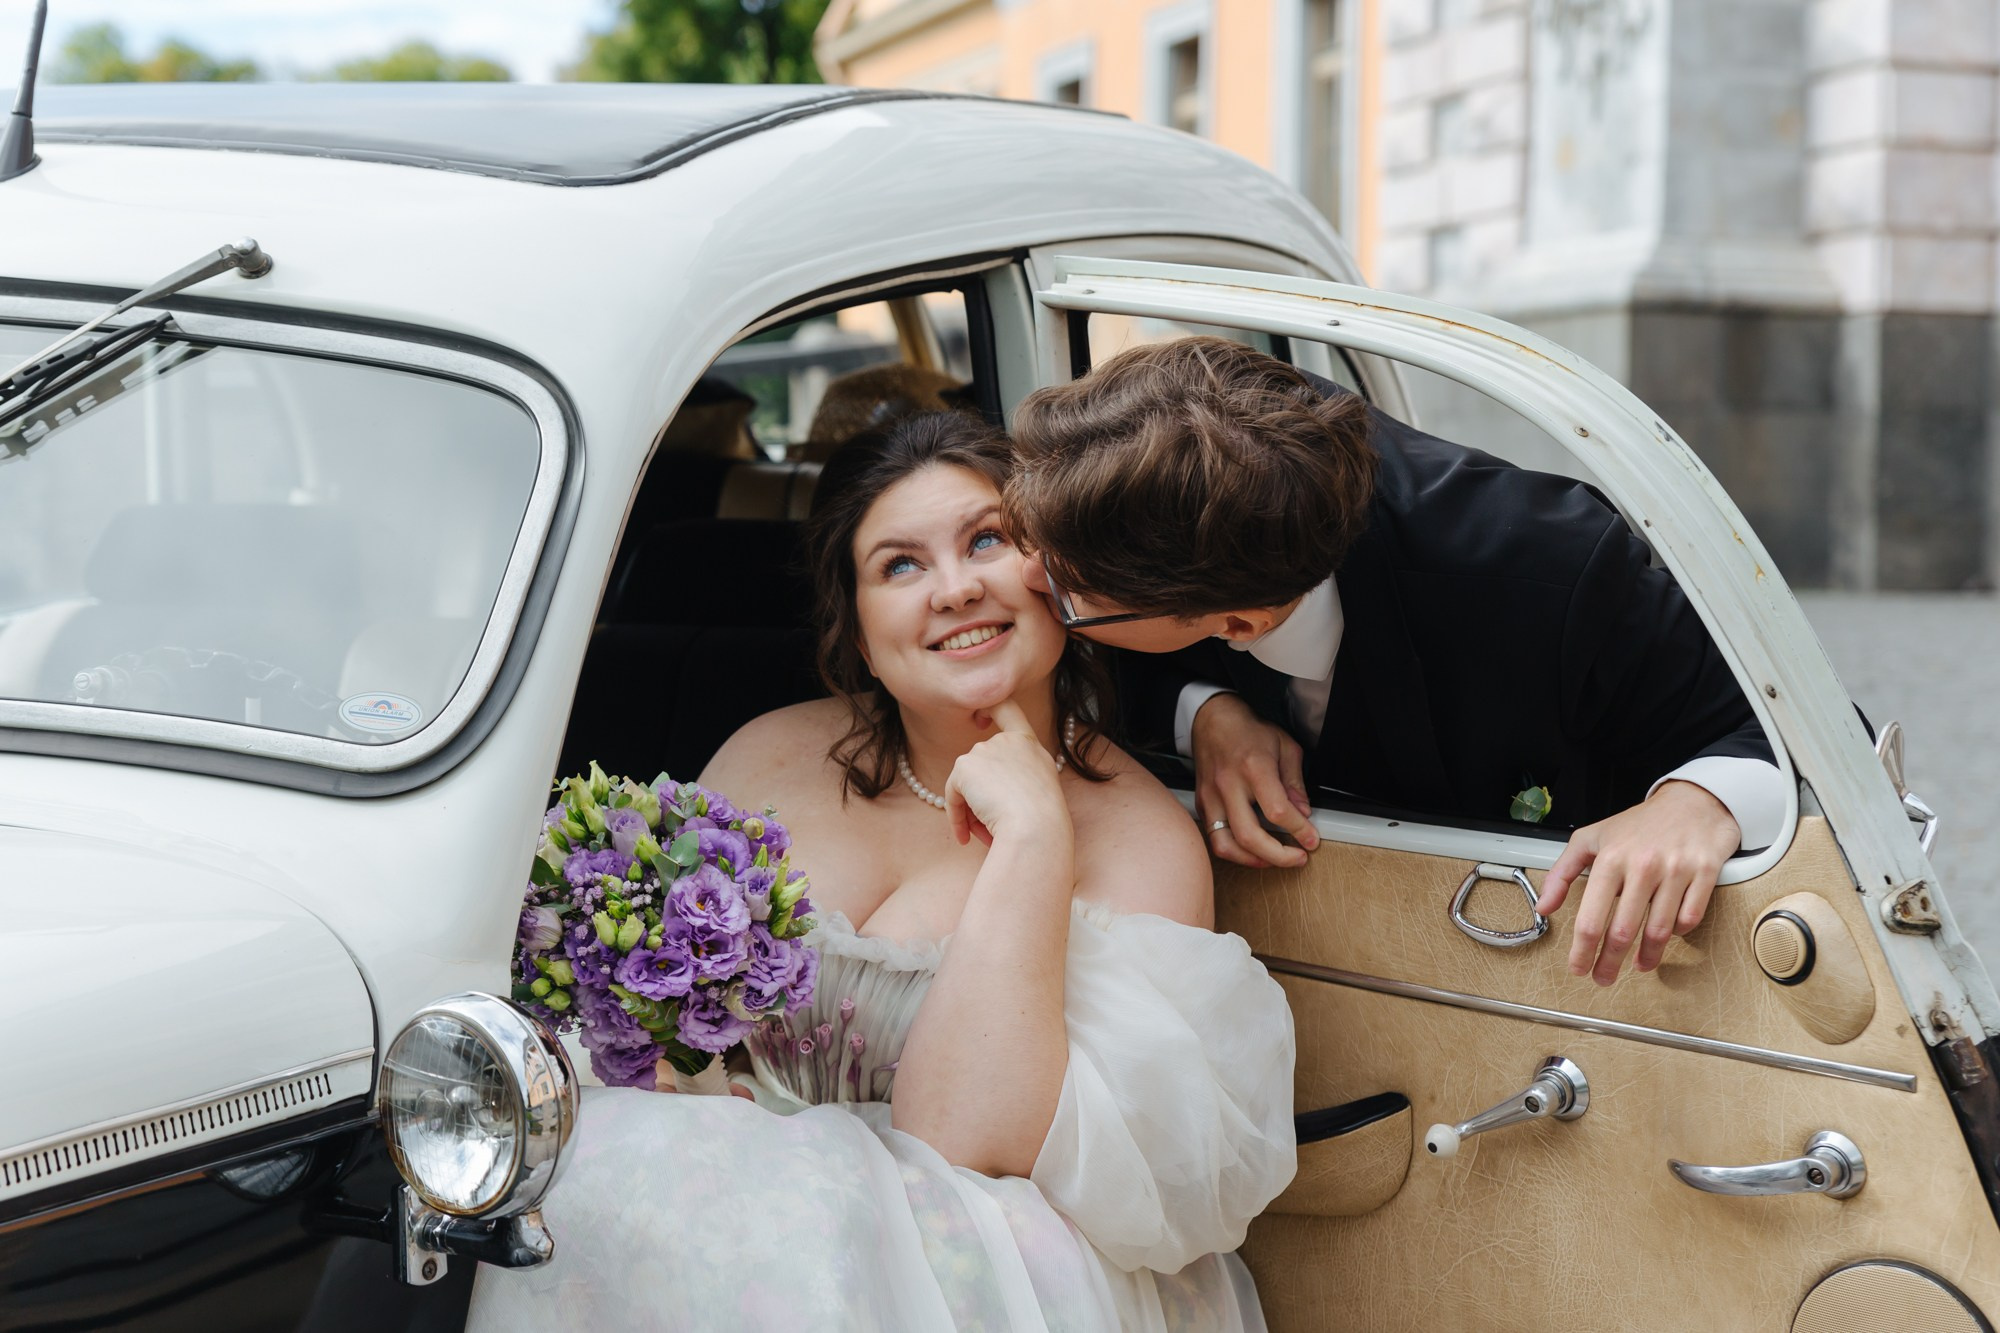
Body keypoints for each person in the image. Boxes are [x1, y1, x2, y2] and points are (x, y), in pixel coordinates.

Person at [467, 412, 1296, 1333]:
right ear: (859, 630)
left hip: (967, 1262)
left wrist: (1033, 840)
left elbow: (967, 1142)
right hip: (707, 1201)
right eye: (900, 565)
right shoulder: (766, 754)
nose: (955, 589)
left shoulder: (1142, 843)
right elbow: (663, 1005)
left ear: (1055, 575)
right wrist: (684, 1076)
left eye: (987, 540)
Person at [1005, 336, 1785, 988]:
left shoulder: (1551, 571)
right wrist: (1208, 709)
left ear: (1239, 621)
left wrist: (1694, 800)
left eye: (1068, 599)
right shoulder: (1186, 451)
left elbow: (1785, 725)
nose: (1022, 582)